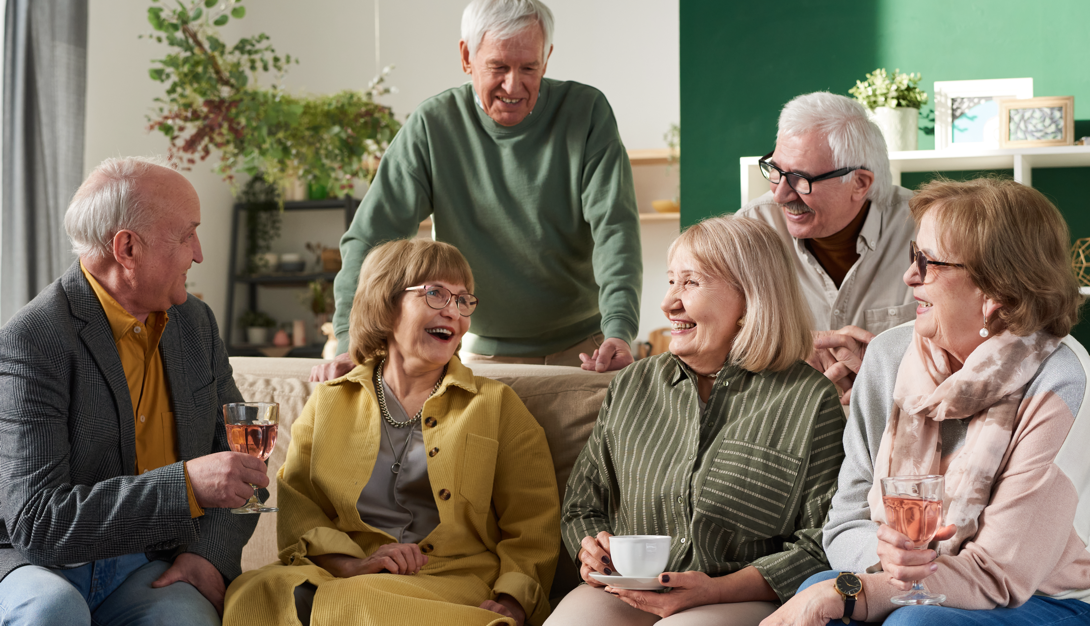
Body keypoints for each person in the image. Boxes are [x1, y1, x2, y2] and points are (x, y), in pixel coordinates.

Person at [764, 178, 1090, 626]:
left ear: (996, 291)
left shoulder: (1060, 379)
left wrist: (860, 592)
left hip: (1049, 598)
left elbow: (1000, 574)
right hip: (916, 581)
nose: (909, 276)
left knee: (913, 622)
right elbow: (845, 522)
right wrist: (886, 558)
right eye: (913, 255)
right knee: (817, 589)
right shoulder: (889, 357)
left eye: (928, 263)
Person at [224, 239, 561, 626]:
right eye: (436, 294)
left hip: (453, 580)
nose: (454, 312)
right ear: (386, 302)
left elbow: (534, 522)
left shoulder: (496, 405)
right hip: (349, 574)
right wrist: (354, 565)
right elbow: (301, 507)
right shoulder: (330, 400)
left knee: (357, 604)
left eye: (463, 300)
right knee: (253, 592)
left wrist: (514, 600)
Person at [313, 0, 642, 382]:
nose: (513, 85)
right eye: (498, 67)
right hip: (476, 350)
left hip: (583, 348)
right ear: (467, 56)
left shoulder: (586, 113)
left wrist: (619, 328)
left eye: (529, 68)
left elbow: (615, 229)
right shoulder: (433, 126)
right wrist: (349, 344)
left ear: (546, 58)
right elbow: (371, 239)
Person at [0, 157, 268, 625]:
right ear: (127, 247)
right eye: (186, 235)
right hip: (39, 564)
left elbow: (241, 465)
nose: (199, 253)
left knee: (186, 619)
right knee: (52, 610)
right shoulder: (35, 338)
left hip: (145, 565)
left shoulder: (195, 324)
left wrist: (207, 555)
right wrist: (184, 487)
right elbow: (38, 522)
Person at [551, 216, 846, 626]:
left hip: (734, 596)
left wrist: (715, 589)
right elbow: (583, 505)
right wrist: (590, 548)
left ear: (749, 298)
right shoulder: (634, 384)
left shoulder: (809, 400)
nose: (668, 302)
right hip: (628, 588)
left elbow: (822, 543)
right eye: (672, 281)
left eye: (689, 283)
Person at [737, 92, 916, 404]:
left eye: (799, 179)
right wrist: (789, 344)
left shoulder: (928, 228)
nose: (780, 195)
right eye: (775, 171)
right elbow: (718, 328)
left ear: (860, 183)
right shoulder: (751, 228)